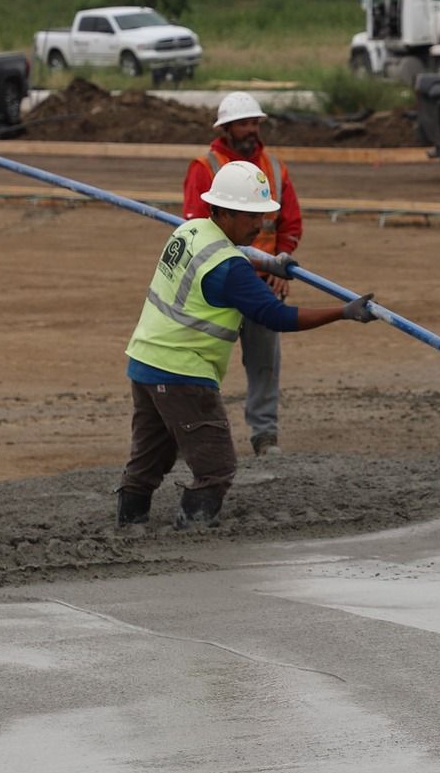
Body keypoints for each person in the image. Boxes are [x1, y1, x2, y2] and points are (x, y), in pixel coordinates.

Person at [118, 159, 375, 530]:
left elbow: (233, 251)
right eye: (249, 216)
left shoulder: (189, 230)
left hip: (144, 362)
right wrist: (344, 312)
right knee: (217, 467)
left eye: (262, 216)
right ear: (221, 211)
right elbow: (277, 317)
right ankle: (192, 531)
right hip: (183, 374)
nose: (259, 225)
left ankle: (129, 524)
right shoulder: (229, 269)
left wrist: (272, 263)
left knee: (150, 456)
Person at [183, 92, 303, 458]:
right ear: (226, 128)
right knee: (198, 361)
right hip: (218, 283)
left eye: (255, 123)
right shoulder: (205, 167)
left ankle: (264, 435)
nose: (252, 130)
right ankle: (186, 434)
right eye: (244, 123)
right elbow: (196, 227)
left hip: (261, 283)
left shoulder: (274, 167)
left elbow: (290, 222)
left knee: (265, 363)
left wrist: (282, 261)